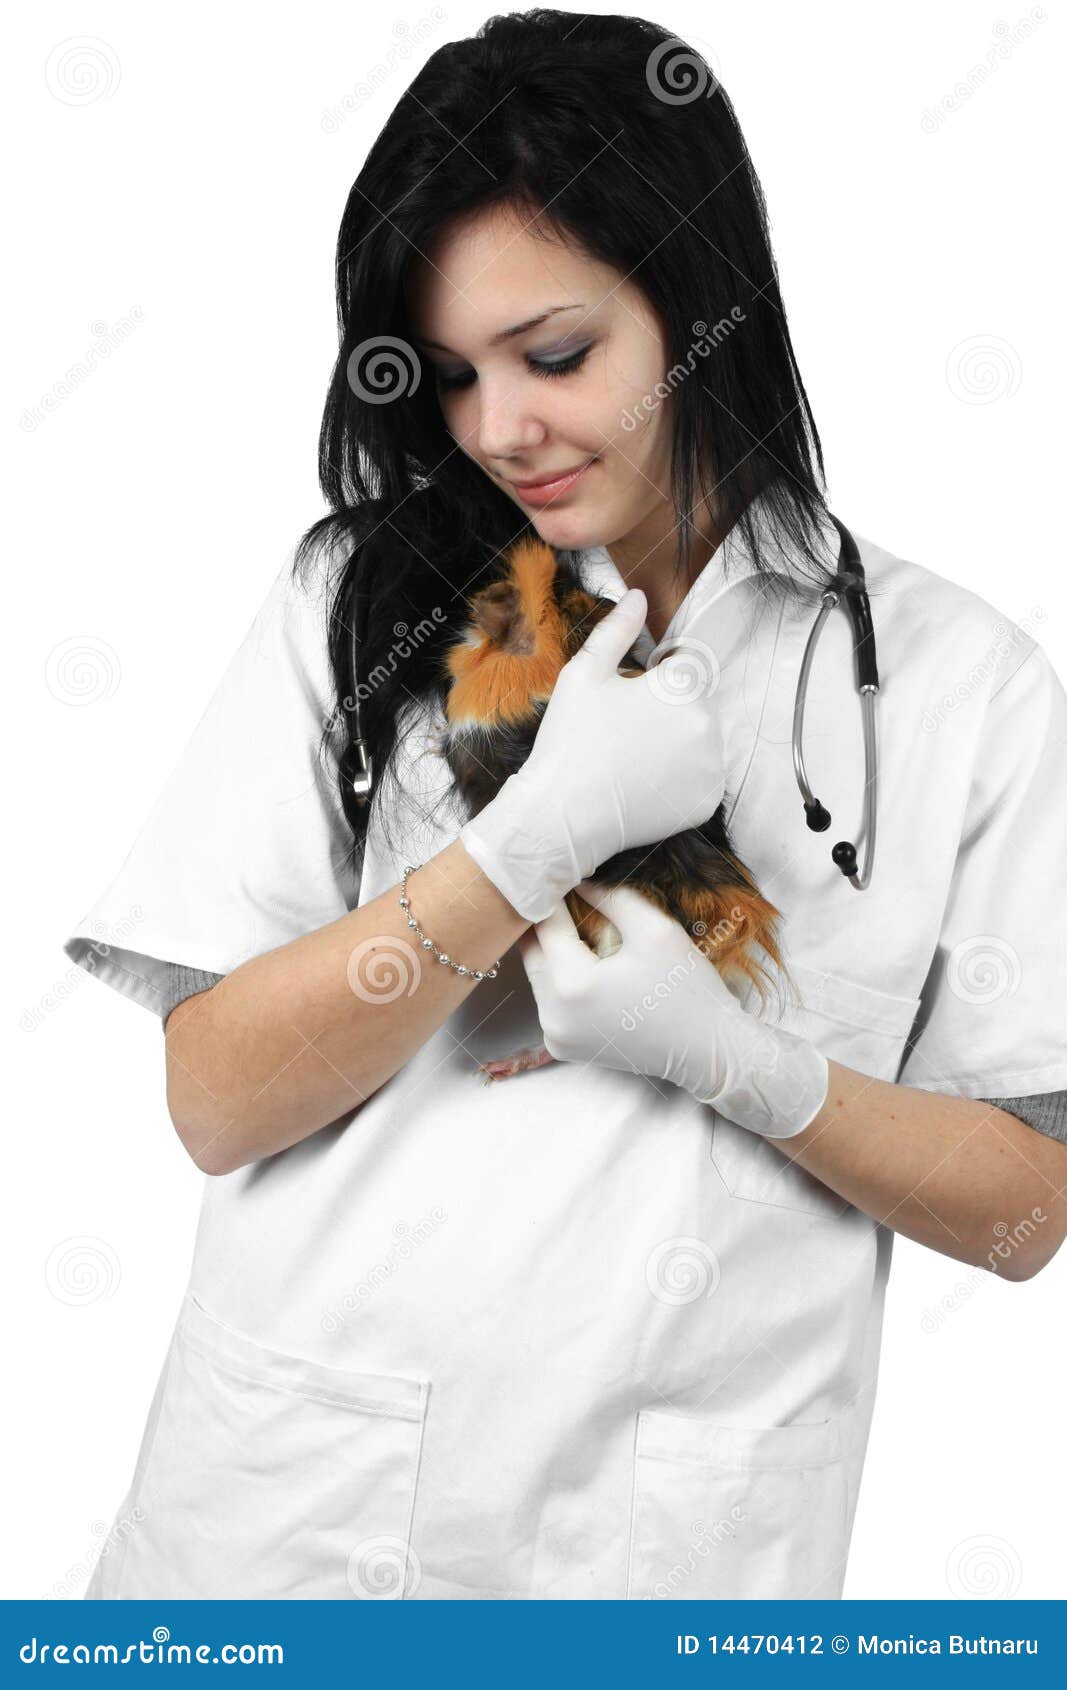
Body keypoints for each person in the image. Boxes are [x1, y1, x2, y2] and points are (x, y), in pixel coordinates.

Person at [63, 11, 1066, 1601]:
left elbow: (1028, 1216)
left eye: (556, 355)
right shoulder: (360, 605)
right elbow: (213, 1101)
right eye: (452, 374)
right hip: (291, 1552)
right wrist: (519, 851)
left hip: (668, 1572)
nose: (494, 429)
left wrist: (745, 1064)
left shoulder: (958, 687)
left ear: (705, 307)